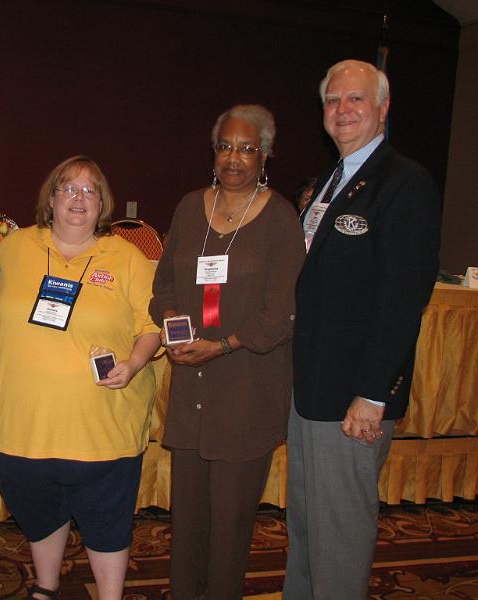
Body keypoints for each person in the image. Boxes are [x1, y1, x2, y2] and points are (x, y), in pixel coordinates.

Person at [284, 60, 441, 599]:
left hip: (353, 398)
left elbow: (403, 300)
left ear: (383, 108)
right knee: (307, 526)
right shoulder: (334, 179)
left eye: (356, 99)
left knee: (340, 535)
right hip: (312, 388)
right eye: (333, 100)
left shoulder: (405, 183)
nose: (342, 110)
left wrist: (373, 395)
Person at [0, 156, 161, 600]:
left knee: (106, 517)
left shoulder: (128, 257)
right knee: (38, 510)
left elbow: (152, 325)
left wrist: (135, 363)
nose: (79, 198)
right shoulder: (13, 247)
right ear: (51, 198)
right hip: (19, 425)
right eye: (68, 188)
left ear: (103, 203)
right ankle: (46, 586)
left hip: (101, 427)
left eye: (89, 190)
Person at [149, 105, 305, 599]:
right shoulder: (188, 208)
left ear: (265, 157)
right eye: (225, 146)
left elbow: (281, 314)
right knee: (188, 520)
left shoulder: (280, 219)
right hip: (191, 387)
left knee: (230, 526)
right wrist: (175, 332)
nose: (234, 158)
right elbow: (164, 287)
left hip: (246, 391)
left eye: (247, 148)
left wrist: (220, 346)